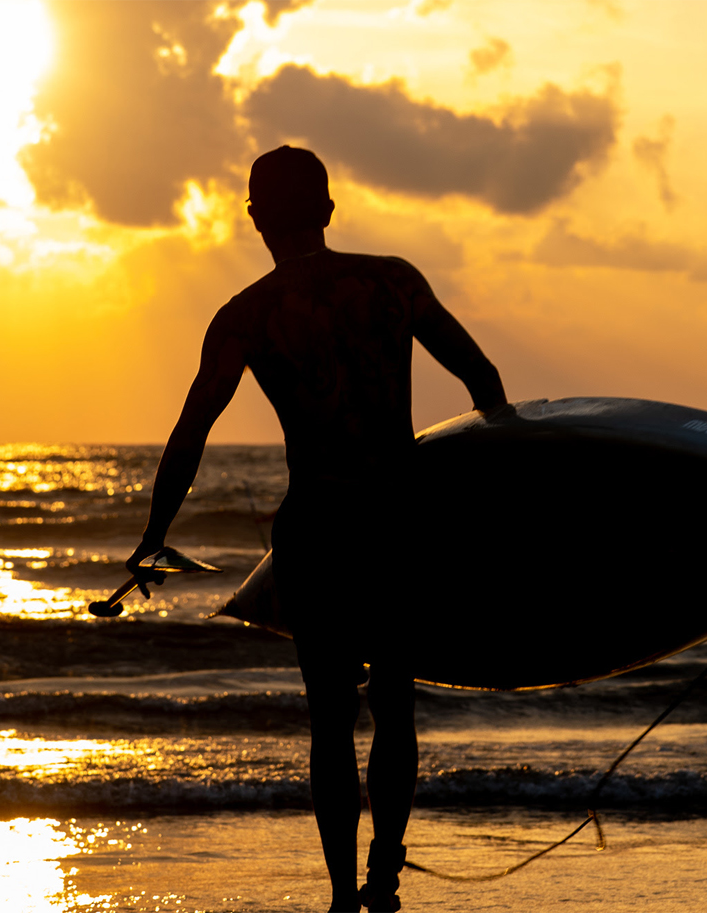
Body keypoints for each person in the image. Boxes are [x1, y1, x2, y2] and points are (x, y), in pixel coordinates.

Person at [127, 146, 507, 912]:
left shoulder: (244, 317)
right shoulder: (393, 282)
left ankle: (340, 899)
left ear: (255, 218)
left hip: (319, 530)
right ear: (328, 209)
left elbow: (191, 431)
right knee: (394, 703)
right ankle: (384, 877)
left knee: (330, 721)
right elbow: (483, 381)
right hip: (396, 521)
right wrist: (493, 502)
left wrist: (153, 533)